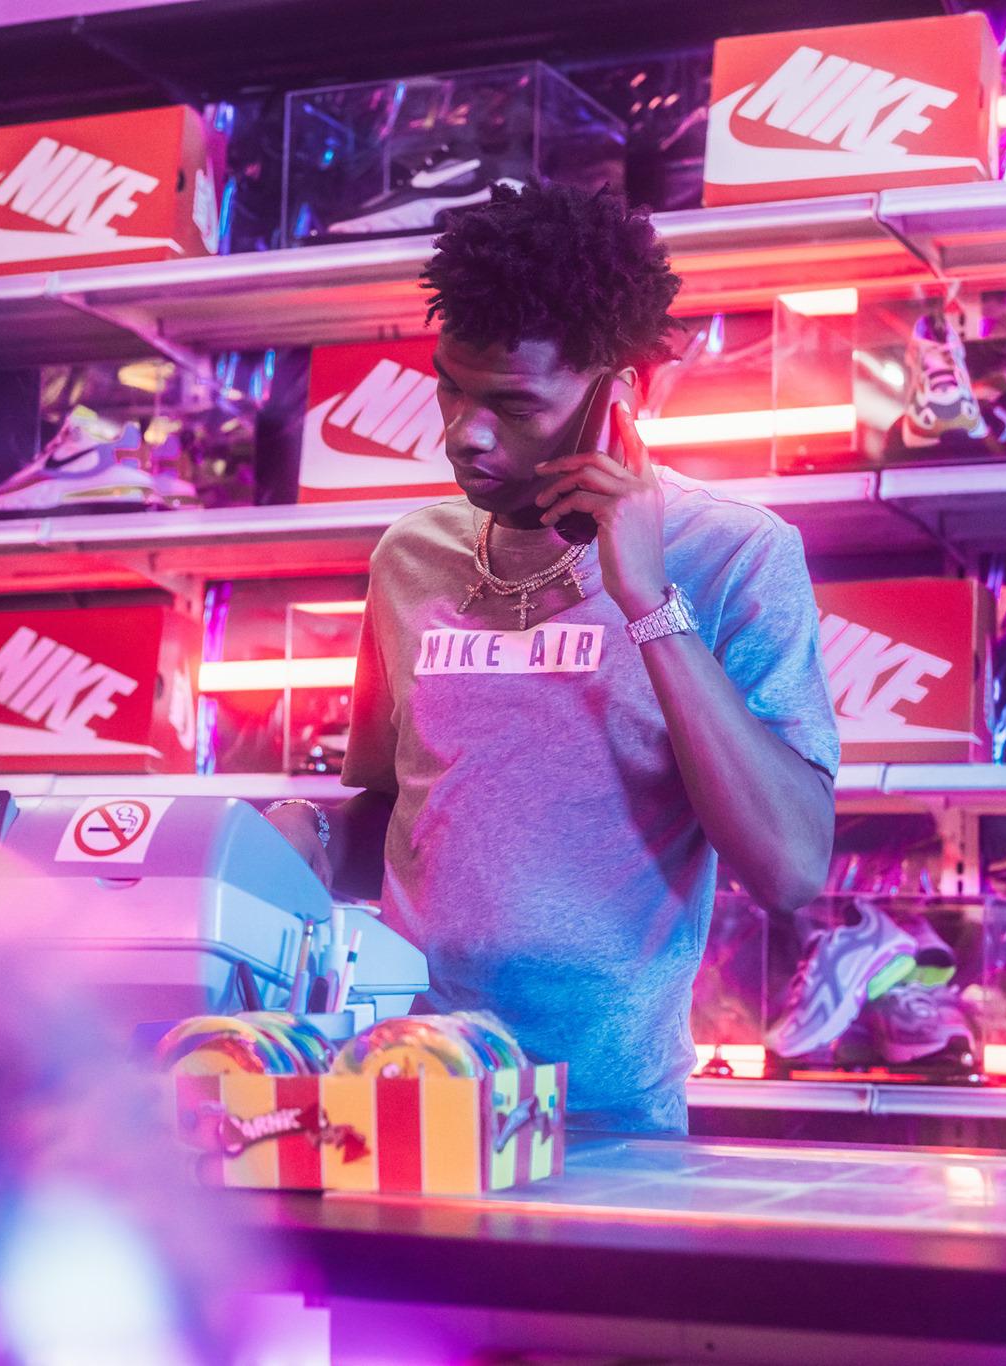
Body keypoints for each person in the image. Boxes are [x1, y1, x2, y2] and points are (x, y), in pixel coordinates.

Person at [267, 181, 838, 1132]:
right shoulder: (410, 558)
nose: (463, 433)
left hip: (610, 1120)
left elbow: (790, 867)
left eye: (513, 404)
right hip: (402, 1093)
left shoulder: (737, 554)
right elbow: (406, 814)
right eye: (451, 386)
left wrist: (648, 599)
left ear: (620, 398)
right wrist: (309, 838)